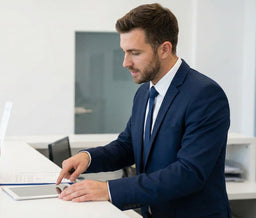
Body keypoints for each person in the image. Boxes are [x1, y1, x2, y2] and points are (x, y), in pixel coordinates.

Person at [57, 3, 231, 218]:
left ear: (164, 49)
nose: (125, 63)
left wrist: (109, 190)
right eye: (124, 52)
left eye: (134, 53)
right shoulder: (144, 92)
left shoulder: (205, 95)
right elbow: (128, 146)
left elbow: (189, 173)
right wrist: (88, 157)